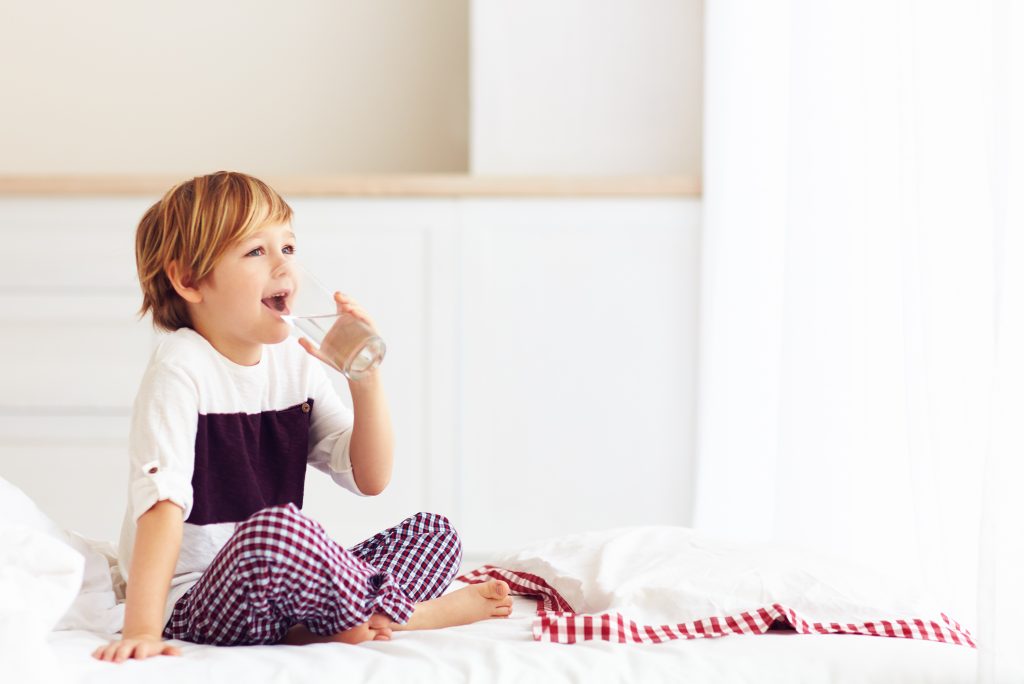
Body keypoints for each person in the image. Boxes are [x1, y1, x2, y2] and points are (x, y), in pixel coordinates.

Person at [92, 171, 512, 663]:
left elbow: (370, 478)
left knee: (433, 532)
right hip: (197, 600)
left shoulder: (293, 359)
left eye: (288, 248)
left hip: (286, 584)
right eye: (256, 251)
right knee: (281, 530)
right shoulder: (180, 367)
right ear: (189, 280)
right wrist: (141, 628)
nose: (284, 267)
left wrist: (365, 377)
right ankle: (408, 614)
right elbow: (160, 507)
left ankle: (334, 620)